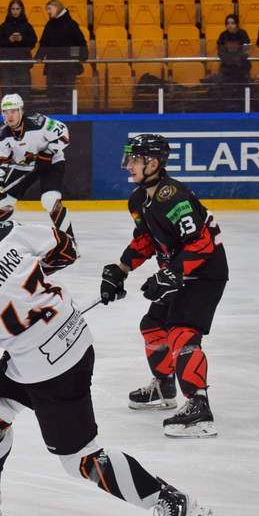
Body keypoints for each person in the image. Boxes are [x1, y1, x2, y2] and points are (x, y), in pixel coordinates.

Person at [0, 201, 213, 516]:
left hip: (51, 372)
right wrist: (20, 279)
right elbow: (65, 249)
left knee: (80, 459)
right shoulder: (4, 233)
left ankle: (174, 501)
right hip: (70, 339)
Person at [99, 134, 228, 439]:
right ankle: (164, 387)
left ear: (153, 163)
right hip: (178, 273)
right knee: (152, 327)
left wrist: (172, 272)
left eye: (135, 160)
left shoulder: (174, 196)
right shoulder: (138, 199)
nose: (128, 165)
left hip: (205, 273)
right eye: (128, 158)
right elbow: (146, 240)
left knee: (181, 332)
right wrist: (121, 269)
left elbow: (201, 243)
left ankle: (199, 407)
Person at [0, 93, 76, 247]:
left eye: (13, 111)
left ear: (21, 111)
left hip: (51, 164)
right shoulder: (2, 135)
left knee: (50, 200)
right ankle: (0, 243)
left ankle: (69, 243)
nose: (10, 116)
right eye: (6, 112)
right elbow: (1, 160)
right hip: (23, 166)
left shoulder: (39, 123)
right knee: (5, 200)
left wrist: (48, 153)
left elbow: (63, 133)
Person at [34, 0, 87, 114]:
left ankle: (66, 117)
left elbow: (80, 42)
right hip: (54, 67)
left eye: (49, 9)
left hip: (68, 67)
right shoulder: (50, 25)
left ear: (57, 7)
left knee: (66, 94)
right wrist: (39, 56)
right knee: (53, 94)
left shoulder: (71, 24)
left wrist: (82, 56)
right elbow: (44, 43)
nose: (48, 12)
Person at [0, 0, 37, 105]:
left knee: (23, 92)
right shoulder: (4, 26)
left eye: (18, 9)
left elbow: (33, 42)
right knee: (6, 92)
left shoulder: (27, 25)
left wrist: (22, 39)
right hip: (6, 64)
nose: (15, 11)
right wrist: (9, 40)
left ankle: (23, 113)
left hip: (23, 63)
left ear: (22, 10)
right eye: (13, 9)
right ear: (10, 10)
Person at [216, 14, 251, 111]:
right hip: (227, 69)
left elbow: (246, 50)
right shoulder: (223, 36)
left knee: (240, 90)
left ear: (237, 24)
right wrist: (230, 61)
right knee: (227, 91)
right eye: (228, 23)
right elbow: (220, 52)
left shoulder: (243, 34)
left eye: (232, 23)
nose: (230, 25)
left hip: (241, 69)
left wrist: (237, 60)